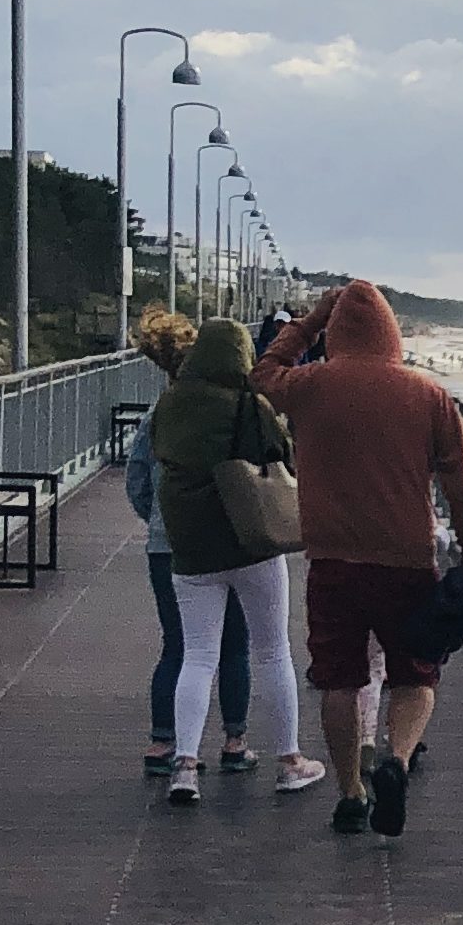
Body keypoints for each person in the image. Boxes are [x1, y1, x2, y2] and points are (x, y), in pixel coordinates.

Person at [251, 280, 463, 838]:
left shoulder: (309, 386)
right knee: (416, 673)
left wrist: (309, 321)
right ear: (392, 335)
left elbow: (263, 373)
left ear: (337, 334)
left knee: (339, 679)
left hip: (332, 559)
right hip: (406, 558)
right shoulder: (428, 396)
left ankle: (351, 793)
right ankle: (397, 760)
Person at [145, 318, 324, 808]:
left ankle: (184, 766)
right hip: (252, 544)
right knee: (272, 651)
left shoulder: (171, 403)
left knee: (197, 657)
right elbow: (281, 454)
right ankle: (289, 761)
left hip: (191, 550)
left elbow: (158, 454)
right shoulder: (250, 403)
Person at [123, 305, 255, 778]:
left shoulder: (160, 414)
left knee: (178, 646)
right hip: (233, 541)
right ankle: (235, 740)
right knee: (234, 646)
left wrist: (158, 520)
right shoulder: (235, 410)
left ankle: (165, 745)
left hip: (169, 545)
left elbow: (137, 478)